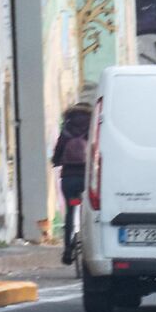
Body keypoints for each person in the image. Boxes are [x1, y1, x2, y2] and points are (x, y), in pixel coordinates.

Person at [52, 94, 93, 266]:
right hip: (87, 178)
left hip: (68, 177)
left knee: (70, 212)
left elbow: (57, 153)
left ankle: (68, 249)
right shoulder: (93, 127)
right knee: (88, 212)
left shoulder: (67, 128)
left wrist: (56, 161)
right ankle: (89, 246)